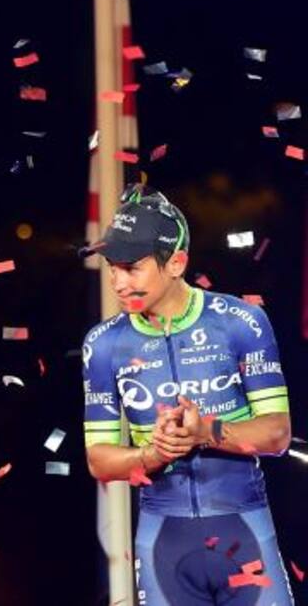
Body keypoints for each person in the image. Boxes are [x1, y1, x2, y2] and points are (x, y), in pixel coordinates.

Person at [81, 185, 294, 605]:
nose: (119, 283)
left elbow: (277, 435)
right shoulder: (103, 345)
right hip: (164, 541)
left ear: (176, 262)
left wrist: (206, 431)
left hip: (245, 529)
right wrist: (152, 455)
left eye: (132, 268)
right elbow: (98, 459)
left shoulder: (241, 322)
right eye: (112, 267)